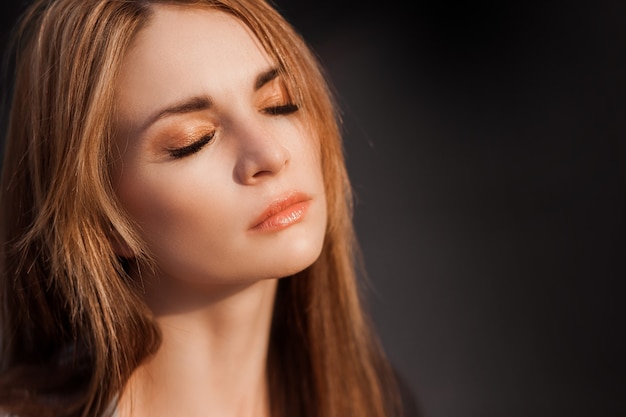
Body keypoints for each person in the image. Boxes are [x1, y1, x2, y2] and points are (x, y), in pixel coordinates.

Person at [0, 1, 418, 416]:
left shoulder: (377, 403)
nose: (269, 154)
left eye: (279, 103)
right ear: (101, 220)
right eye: (194, 140)